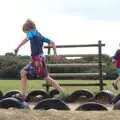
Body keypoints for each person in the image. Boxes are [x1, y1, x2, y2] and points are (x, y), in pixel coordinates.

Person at [14, 19, 63, 97]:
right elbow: (52, 42)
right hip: (39, 59)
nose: (26, 34)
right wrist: (55, 53)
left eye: (26, 32)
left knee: (24, 73)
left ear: (29, 29)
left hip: (38, 60)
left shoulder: (32, 33)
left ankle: (23, 94)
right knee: (44, 77)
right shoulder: (39, 35)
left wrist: (17, 48)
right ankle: (62, 92)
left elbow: (25, 40)